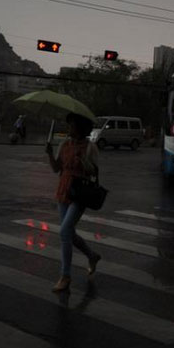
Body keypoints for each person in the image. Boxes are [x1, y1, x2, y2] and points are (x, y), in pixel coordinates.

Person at [45, 113, 102, 292]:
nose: (69, 128)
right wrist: (49, 154)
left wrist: (82, 160)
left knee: (64, 232)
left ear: (80, 128)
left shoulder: (90, 147)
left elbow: (93, 172)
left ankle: (65, 276)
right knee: (68, 233)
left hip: (80, 195)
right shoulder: (64, 144)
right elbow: (56, 169)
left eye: (72, 125)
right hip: (63, 192)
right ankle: (92, 256)